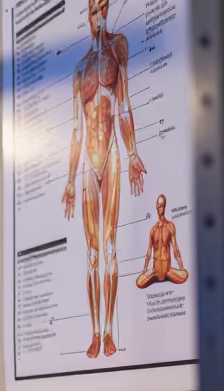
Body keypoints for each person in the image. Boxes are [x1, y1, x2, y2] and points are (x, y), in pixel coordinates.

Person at [61, 0, 147, 358]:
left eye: (102, 7)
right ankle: (95, 332)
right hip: (87, 165)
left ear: (108, 10)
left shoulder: (117, 48)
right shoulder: (80, 70)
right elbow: (77, 130)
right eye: (92, 9)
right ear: (88, 14)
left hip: (110, 153)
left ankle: (110, 331)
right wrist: (68, 180)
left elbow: (124, 105)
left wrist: (133, 153)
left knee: (110, 246)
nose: (98, 15)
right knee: (92, 253)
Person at [136, 194, 188, 289]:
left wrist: (181, 267)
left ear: (165, 206)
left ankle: (169, 275)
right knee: (139, 282)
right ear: (156, 206)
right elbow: (148, 252)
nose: (161, 208)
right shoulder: (153, 230)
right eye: (159, 206)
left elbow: (175, 249)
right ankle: (153, 275)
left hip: (167, 271)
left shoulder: (170, 226)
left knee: (185, 275)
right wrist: (144, 270)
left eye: (162, 206)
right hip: (155, 271)